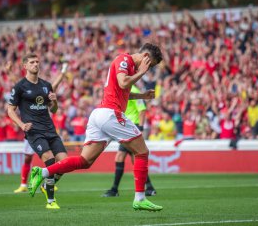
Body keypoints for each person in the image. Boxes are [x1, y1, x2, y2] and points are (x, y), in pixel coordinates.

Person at [28, 43, 164, 212]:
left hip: (100, 115)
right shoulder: (125, 60)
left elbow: (122, 91)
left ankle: (42, 173)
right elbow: (123, 83)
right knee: (142, 152)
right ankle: (140, 198)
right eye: (150, 65)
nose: (148, 68)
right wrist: (142, 72)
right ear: (146, 57)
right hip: (110, 114)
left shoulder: (127, 65)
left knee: (84, 161)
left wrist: (142, 95)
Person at [7, 53, 68, 209]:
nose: (35, 64)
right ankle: (51, 201)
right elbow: (10, 110)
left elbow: (53, 110)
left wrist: (54, 100)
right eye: (32, 62)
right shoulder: (20, 87)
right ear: (25, 66)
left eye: (37, 62)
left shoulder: (46, 85)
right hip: (34, 131)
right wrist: (21, 125)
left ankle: (44, 182)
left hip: (50, 129)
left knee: (65, 163)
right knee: (49, 158)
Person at [102, 84, 156, 197]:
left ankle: (114, 189)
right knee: (135, 159)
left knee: (120, 157)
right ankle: (150, 188)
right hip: (126, 126)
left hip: (131, 126)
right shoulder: (126, 90)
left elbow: (142, 110)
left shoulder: (134, 90)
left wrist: (140, 128)